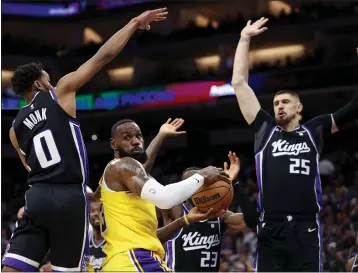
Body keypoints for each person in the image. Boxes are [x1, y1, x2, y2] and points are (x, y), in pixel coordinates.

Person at [2, 8, 168, 272]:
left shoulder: (14, 128)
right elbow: (103, 56)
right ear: (39, 85)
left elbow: (30, 168)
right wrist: (134, 22)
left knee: (12, 268)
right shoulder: (61, 93)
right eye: (48, 78)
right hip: (69, 196)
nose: (52, 81)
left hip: (36, 196)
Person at [231, 17, 358, 272]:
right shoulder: (264, 129)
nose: (279, 106)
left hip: (305, 226)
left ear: (299, 108)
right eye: (276, 103)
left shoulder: (314, 129)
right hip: (271, 226)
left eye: (285, 102)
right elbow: (239, 83)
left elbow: (354, 108)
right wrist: (244, 38)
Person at [95, 119, 230, 271]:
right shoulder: (121, 165)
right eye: (127, 137)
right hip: (134, 259)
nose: (135, 141)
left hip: (124, 262)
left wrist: (185, 220)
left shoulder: (124, 179)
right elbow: (164, 198)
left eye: (139, 136)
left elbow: (153, 237)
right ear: (114, 144)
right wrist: (202, 176)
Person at [161, 152, 259, 272]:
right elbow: (163, 194)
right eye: (192, 183)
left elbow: (251, 220)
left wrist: (234, 183)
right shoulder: (176, 211)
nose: (195, 187)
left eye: (200, 183)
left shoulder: (219, 215)